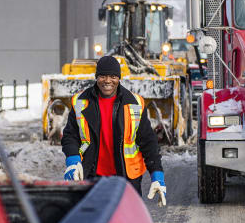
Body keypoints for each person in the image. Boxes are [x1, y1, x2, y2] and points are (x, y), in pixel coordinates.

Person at [61, 55, 166, 206]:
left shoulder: (134, 103)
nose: (108, 81)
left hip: (127, 177)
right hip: (91, 175)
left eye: (113, 76)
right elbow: (70, 135)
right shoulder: (80, 102)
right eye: (103, 76)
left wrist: (157, 175)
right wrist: (72, 160)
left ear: (119, 78)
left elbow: (148, 142)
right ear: (96, 77)